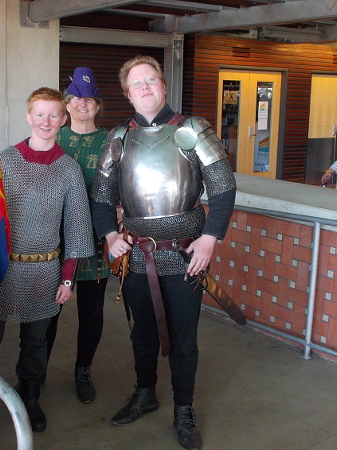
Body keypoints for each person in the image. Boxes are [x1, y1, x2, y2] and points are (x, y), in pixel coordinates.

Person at [90, 55, 236, 450]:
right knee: (143, 333)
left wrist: (210, 237)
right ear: (127, 93)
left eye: (150, 80)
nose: (145, 88)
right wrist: (108, 235)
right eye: (136, 83)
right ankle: (145, 393)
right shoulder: (118, 138)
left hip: (187, 254)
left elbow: (223, 189)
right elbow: (102, 198)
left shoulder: (192, 129)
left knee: (184, 339)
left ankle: (183, 409)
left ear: (163, 85)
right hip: (138, 256)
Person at [0, 87, 95, 432]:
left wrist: (67, 279)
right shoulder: (4, 161)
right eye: (40, 114)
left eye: (53, 115)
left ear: (63, 120)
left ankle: (31, 396)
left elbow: (76, 229)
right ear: (28, 117)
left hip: (45, 270)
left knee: (35, 342)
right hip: (4, 269)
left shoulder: (68, 170)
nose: (46, 121)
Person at [45, 67, 110, 404]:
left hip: (97, 239)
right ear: (66, 104)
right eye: (76, 99)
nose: (83, 104)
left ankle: (83, 369)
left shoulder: (112, 141)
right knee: (48, 311)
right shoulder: (55, 139)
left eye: (89, 99)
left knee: (92, 312)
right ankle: (36, 371)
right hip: (54, 240)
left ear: (97, 105)